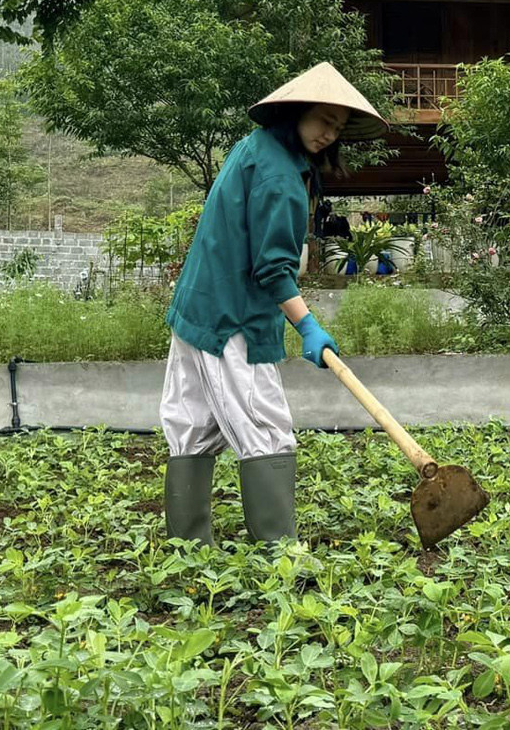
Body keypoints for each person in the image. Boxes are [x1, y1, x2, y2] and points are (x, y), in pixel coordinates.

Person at [160, 63, 387, 545]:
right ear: (297, 111)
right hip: (229, 320)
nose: (329, 133)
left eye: (339, 126)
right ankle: (278, 556)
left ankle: (188, 548)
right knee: (266, 427)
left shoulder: (254, 147)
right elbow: (273, 269)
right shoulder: (281, 176)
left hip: (198, 305)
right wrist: (308, 327)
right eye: (324, 119)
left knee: (193, 423)